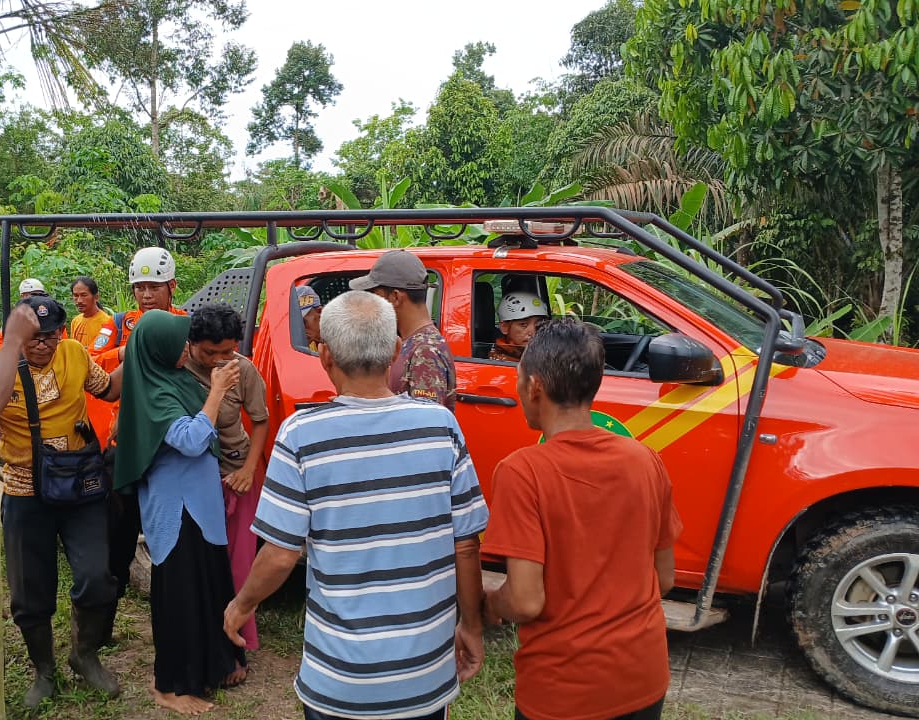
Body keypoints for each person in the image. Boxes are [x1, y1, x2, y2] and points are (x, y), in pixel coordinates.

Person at [224, 291, 487, 720]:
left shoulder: (300, 435)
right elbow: (466, 545)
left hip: (339, 681)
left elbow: (280, 554)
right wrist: (471, 627)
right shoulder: (441, 426)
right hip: (423, 679)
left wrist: (241, 606)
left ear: (324, 355)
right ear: (397, 350)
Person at [481, 319, 682, 720]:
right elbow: (664, 580)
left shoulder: (523, 471)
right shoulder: (644, 460)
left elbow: (525, 601)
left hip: (564, 691)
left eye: (519, 379)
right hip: (643, 678)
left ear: (535, 387)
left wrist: (490, 602)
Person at [113, 310, 246, 715]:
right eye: (180, 343)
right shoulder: (153, 391)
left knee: (207, 586)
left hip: (201, 505)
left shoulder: (173, 378)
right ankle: (167, 685)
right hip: (175, 508)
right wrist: (217, 392)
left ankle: (214, 665)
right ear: (158, 348)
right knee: (179, 597)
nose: (186, 349)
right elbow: (189, 440)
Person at [0, 297, 123, 704]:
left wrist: (138, 351)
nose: (43, 345)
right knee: (29, 592)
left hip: (78, 486)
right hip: (23, 491)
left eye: (50, 336)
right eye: (33, 338)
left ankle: (84, 655)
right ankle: (43, 671)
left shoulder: (76, 355)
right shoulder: (0, 366)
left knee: (97, 578)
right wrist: (12, 349)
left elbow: (107, 389)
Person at [95, 247, 188, 608]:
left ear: (172, 286)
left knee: (173, 533)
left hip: (169, 446)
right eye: (140, 287)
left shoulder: (185, 324)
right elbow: (90, 364)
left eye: (154, 286)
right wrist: (123, 352)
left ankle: (174, 609)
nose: (146, 295)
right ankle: (100, 622)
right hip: (124, 445)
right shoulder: (119, 325)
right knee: (116, 537)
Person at [184, 304, 269, 653]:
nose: (219, 359)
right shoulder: (178, 369)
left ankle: (236, 646)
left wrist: (248, 470)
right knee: (200, 563)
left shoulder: (243, 370)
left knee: (239, 565)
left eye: (227, 351)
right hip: (193, 478)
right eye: (210, 351)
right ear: (191, 344)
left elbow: (260, 421)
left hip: (235, 475)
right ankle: (203, 641)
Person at [349, 250, 456, 411]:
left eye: (375, 295)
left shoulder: (426, 350)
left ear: (395, 297)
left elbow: (425, 425)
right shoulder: (412, 343)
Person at [488, 290, 548, 363]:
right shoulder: (499, 360)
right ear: (505, 327)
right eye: (523, 324)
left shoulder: (544, 350)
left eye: (539, 323)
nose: (533, 332)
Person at [69, 276, 111, 347]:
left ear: (96, 297)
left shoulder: (107, 322)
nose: (79, 301)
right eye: (76, 295)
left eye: (84, 295)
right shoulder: (75, 321)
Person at [294, 285, 322, 351]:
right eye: (296, 325)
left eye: (303, 323)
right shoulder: (309, 346)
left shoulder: (343, 339)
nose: (301, 330)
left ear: (320, 312)